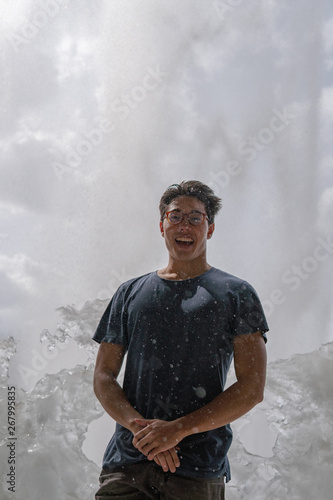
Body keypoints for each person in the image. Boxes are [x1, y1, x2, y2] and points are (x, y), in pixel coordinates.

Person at [93, 180, 269, 500]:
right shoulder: (129, 293)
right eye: (175, 216)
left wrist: (177, 430)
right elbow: (103, 376)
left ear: (210, 228)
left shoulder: (237, 294)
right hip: (127, 465)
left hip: (197, 470)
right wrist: (142, 431)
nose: (184, 225)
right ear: (162, 226)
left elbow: (252, 387)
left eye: (195, 218)